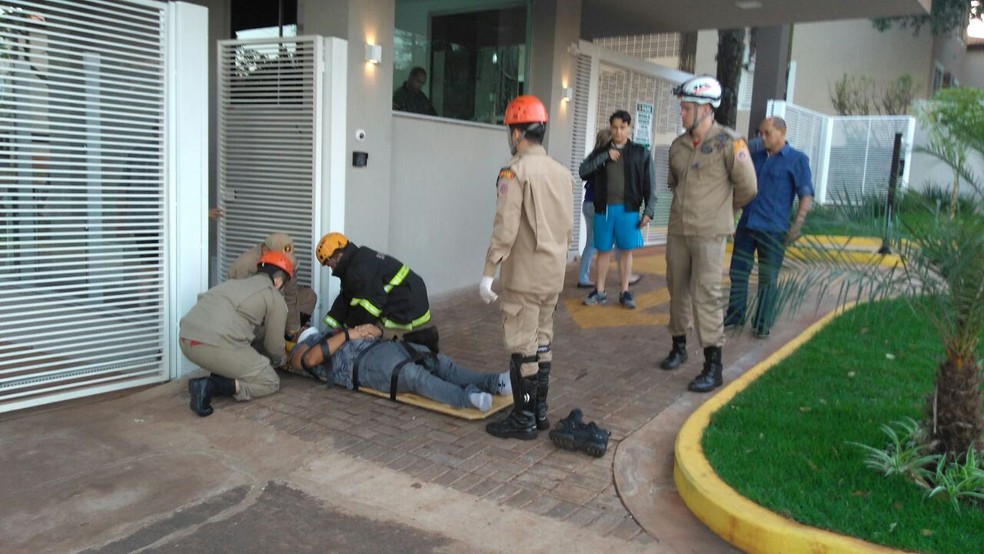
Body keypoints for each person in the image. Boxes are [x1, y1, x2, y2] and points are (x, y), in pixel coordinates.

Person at [479, 95, 574, 440]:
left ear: (518, 132)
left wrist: (489, 272)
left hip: (523, 275)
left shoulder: (514, 171)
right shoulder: (562, 173)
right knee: (543, 341)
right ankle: (540, 412)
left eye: (510, 130)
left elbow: (505, 228)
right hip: (552, 274)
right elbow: (567, 228)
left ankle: (523, 419)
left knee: (522, 345)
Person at [659, 75, 758, 393]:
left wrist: (724, 213)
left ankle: (713, 367)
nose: (682, 113)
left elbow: (748, 188)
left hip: (710, 234)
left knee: (707, 295)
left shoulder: (730, 143)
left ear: (705, 109)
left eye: (686, 108)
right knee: (677, 290)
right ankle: (678, 347)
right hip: (679, 230)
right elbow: (675, 181)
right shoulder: (678, 145)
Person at [725, 116, 813, 338]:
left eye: (767, 133)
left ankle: (763, 323)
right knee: (738, 271)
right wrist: (731, 218)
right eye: (760, 133)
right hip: (747, 225)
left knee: (768, 278)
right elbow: (741, 188)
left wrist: (798, 223)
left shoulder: (797, 160)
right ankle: (735, 315)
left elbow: (805, 194)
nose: (762, 137)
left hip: (773, 229)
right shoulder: (754, 158)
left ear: (781, 132)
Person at [288, 325, 510, 412]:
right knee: (415, 376)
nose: (303, 326)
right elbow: (308, 361)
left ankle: (494, 382)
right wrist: (347, 335)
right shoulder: (302, 346)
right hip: (366, 365)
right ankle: (468, 397)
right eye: (300, 328)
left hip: (384, 348)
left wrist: (369, 330)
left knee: (437, 361)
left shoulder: (331, 331)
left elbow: (376, 331)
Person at [180, 251, 294, 417]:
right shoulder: (273, 296)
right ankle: (210, 385)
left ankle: (222, 372)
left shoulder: (232, 284)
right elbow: (274, 346)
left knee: (248, 335)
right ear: (278, 280)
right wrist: (280, 361)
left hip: (186, 340)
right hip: (213, 346)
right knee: (269, 380)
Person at [578, 110, 656, 309]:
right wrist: (605, 156)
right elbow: (583, 171)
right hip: (603, 210)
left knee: (626, 252)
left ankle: (625, 291)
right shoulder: (601, 151)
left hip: (628, 210)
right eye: (614, 127)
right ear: (610, 128)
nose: (618, 131)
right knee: (602, 251)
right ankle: (600, 291)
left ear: (629, 128)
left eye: (622, 127)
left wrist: (649, 211)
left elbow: (650, 184)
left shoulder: (640, 152)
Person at [315, 232, 432, 340]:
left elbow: (368, 307)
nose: (332, 270)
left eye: (331, 265)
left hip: (410, 306)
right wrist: (331, 326)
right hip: (411, 293)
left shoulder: (358, 271)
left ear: (339, 256)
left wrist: (348, 332)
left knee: (371, 335)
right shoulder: (356, 259)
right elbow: (347, 296)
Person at [577, 128, 642, 290]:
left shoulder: (595, 158)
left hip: (588, 205)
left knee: (592, 243)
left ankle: (583, 276)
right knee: (617, 242)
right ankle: (625, 277)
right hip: (603, 207)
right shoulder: (610, 159)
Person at [228, 232, 317, 340]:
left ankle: (287, 335)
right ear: (266, 251)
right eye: (281, 258)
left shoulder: (289, 262)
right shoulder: (244, 266)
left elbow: (290, 295)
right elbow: (240, 305)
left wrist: (293, 330)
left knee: (308, 296)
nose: (286, 262)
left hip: (277, 295)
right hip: (253, 306)